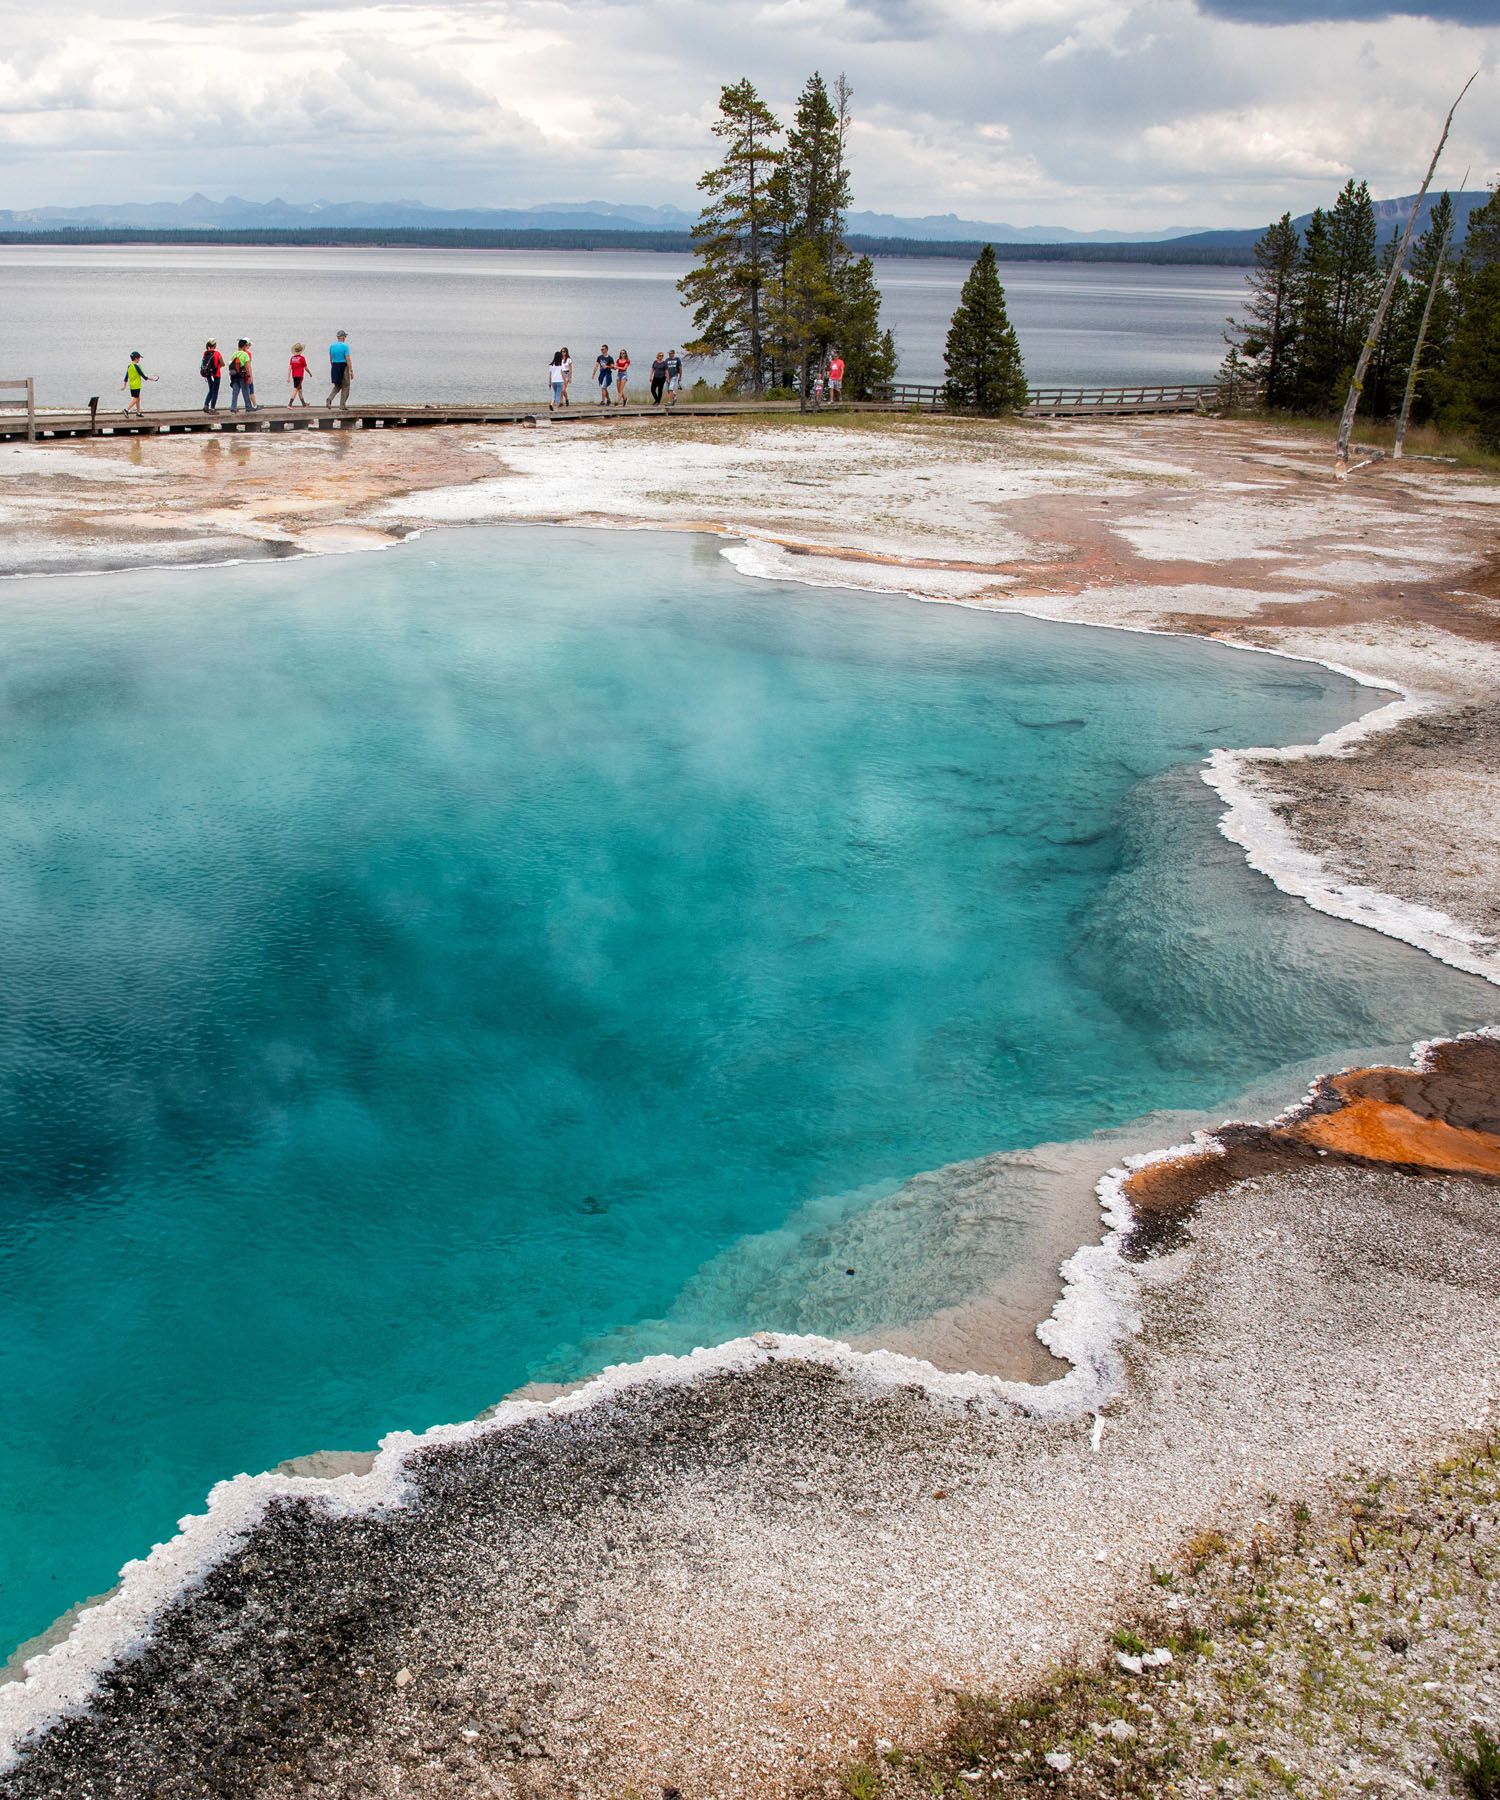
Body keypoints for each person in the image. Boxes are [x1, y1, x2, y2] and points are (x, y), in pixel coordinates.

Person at [327, 331, 353, 408]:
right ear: (342, 337)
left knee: (337, 386)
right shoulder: (345, 346)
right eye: (345, 336)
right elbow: (348, 359)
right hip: (343, 366)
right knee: (346, 386)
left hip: (334, 366)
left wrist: (333, 368)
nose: (345, 338)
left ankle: (329, 399)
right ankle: (342, 405)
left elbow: (331, 359)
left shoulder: (332, 346)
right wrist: (350, 370)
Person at [228, 339, 255, 412]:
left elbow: (231, 365)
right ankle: (248, 407)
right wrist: (250, 377)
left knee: (235, 392)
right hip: (242, 376)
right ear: (244, 346)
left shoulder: (234, 354)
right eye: (246, 345)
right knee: (245, 391)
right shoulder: (245, 354)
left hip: (234, 376)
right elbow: (247, 367)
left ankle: (233, 407)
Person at [200, 340, 224, 412]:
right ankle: (212, 408)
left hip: (208, 374)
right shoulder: (217, 353)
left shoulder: (205, 353)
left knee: (211, 390)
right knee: (215, 391)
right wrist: (219, 364)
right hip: (216, 375)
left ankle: (206, 405)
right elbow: (222, 363)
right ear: (215, 346)